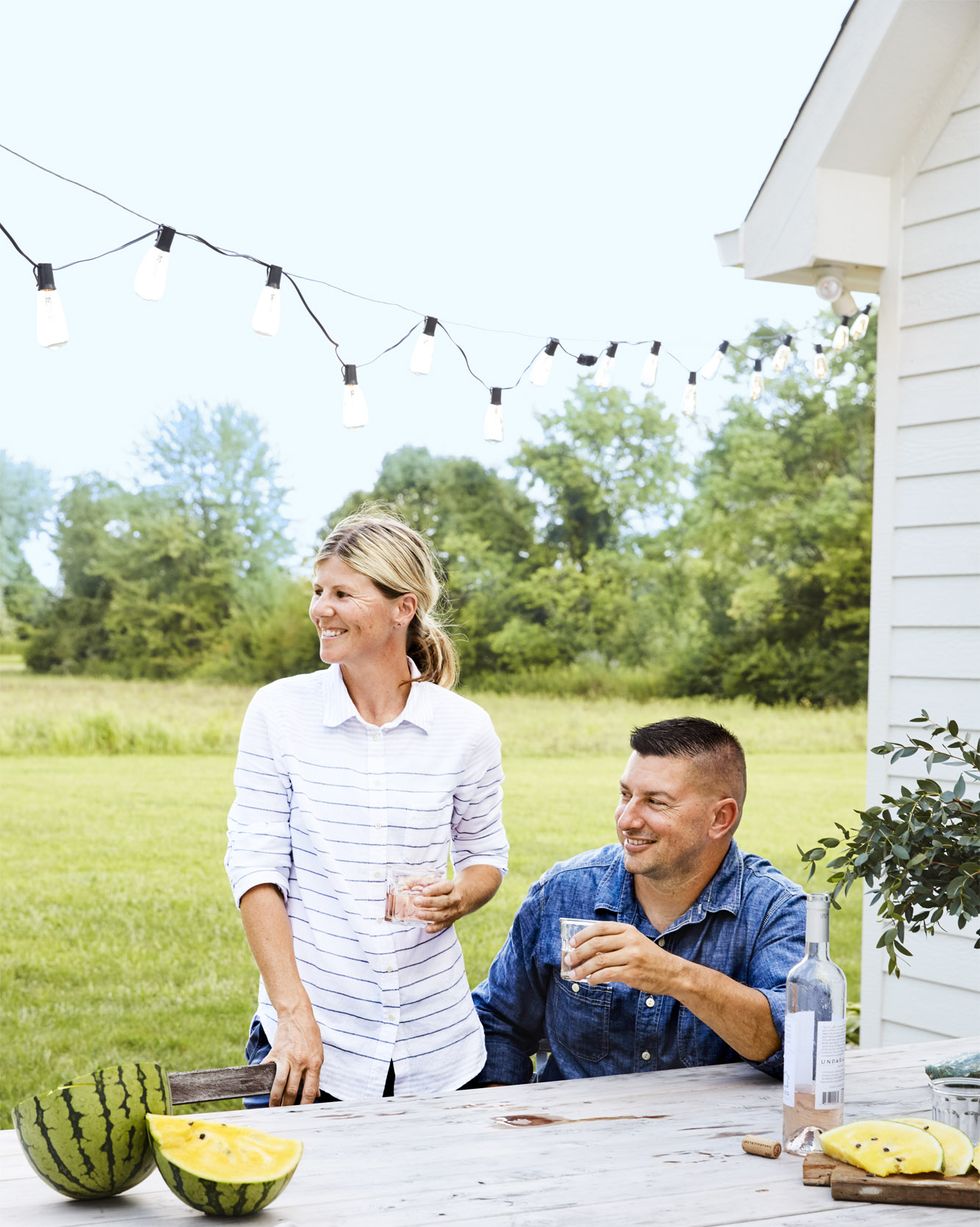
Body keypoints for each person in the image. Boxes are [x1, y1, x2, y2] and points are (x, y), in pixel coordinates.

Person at [225, 511, 508, 1105]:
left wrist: (462, 895)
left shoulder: (465, 728)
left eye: (342, 593)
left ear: (403, 607)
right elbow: (256, 869)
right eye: (318, 591)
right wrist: (294, 1018)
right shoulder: (279, 712)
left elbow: (486, 856)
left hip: (440, 1052)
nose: (320, 609)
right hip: (311, 1048)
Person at [472, 716, 804, 1084]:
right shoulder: (564, 890)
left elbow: (798, 1046)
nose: (627, 819)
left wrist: (673, 975)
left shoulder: (775, 909)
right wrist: (511, 1114)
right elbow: (497, 1021)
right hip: (573, 1132)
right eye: (625, 795)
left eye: (656, 802)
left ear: (720, 818)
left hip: (710, 1137)